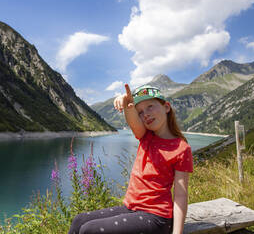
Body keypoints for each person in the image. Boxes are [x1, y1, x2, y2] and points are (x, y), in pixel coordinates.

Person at [68, 84, 193, 234]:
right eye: (140, 111)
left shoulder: (181, 148)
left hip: (156, 216)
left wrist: (177, 233)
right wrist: (127, 105)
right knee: (79, 220)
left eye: (150, 106)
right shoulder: (146, 136)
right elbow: (133, 122)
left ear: (166, 107)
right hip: (132, 209)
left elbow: (180, 196)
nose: (145, 114)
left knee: (90, 230)